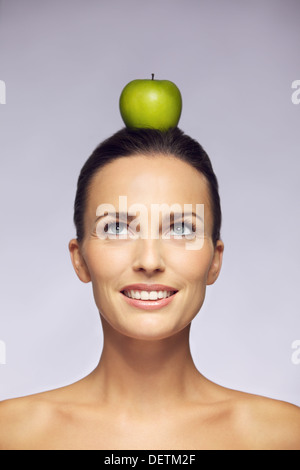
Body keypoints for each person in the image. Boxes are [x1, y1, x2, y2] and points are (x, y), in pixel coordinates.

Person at [0, 127, 299, 450]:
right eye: (116, 228)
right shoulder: (11, 434)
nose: (149, 260)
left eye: (182, 228)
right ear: (80, 259)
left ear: (214, 260)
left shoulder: (285, 436)